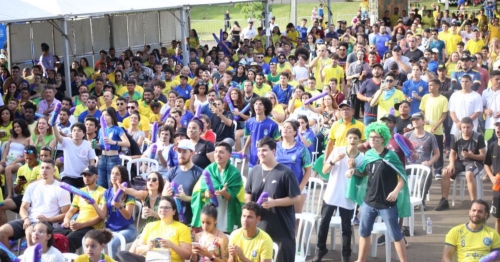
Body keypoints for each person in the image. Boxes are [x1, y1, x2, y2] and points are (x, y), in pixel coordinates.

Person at [346, 122, 411, 262]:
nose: (373, 139)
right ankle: (360, 260)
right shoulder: (368, 154)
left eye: (376, 137)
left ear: (383, 139)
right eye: (370, 137)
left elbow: (402, 177)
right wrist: (354, 171)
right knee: (364, 233)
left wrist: (395, 192)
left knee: (396, 235)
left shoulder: (391, 156)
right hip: (369, 201)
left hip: (387, 203)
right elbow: (364, 173)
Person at [245, 137, 300, 262]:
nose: (261, 154)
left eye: (264, 150)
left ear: (274, 151)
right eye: (259, 151)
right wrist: (249, 207)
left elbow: (296, 198)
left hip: (281, 229)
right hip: (259, 228)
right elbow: (248, 192)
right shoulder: (254, 171)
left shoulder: (285, 173)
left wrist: (274, 202)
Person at [313, 128, 364, 262]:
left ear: (359, 141)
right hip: (331, 194)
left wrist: (354, 169)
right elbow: (323, 170)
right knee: (324, 223)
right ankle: (320, 249)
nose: (352, 140)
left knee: (346, 227)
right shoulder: (337, 151)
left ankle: (346, 255)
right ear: (346, 139)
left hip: (348, 196)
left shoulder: (361, 157)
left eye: (355, 138)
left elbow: (363, 176)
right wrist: (333, 160)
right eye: (350, 138)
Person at [0, 159, 71, 248]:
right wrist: (26, 218)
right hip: (29, 220)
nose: (44, 170)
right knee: (2, 231)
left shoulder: (61, 189)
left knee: (30, 232)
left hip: (48, 224)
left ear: (54, 170)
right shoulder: (32, 186)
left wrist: (48, 219)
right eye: (42, 168)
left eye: (47, 168)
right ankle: (11, 259)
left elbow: (66, 214)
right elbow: (23, 207)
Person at [115, 196, 192, 262]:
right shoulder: (150, 226)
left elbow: (187, 255)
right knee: (121, 254)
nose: (163, 210)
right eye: (161, 207)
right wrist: (148, 247)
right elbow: (138, 250)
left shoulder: (182, 228)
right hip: (150, 259)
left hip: (170, 260)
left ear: (174, 211)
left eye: (167, 208)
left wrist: (171, 245)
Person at [191, 141, 244, 233]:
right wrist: (205, 194)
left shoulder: (235, 173)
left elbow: (237, 198)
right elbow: (198, 192)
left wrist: (225, 194)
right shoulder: (208, 170)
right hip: (209, 215)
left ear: (229, 156)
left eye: (221, 152)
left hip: (225, 214)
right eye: (216, 152)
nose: (217, 155)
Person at [436, 117, 487, 211]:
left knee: (469, 174)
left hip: (475, 162)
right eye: (463, 127)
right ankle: (444, 200)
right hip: (460, 161)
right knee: (445, 172)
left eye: (468, 127)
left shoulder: (478, 137)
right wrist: (451, 164)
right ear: (460, 128)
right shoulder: (456, 136)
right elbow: (452, 153)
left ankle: (473, 202)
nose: (465, 129)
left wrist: (471, 155)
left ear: (472, 127)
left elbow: (483, 156)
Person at [53, 166, 106, 253]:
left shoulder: (103, 192)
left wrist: (82, 225)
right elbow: (71, 211)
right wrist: (66, 220)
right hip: (77, 225)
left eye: (89, 175)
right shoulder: (80, 191)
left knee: (68, 241)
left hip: (92, 227)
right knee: (51, 236)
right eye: (84, 175)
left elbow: (100, 217)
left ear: (96, 177)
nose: (86, 178)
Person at [91, 165, 136, 259]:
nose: (113, 176)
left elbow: (128, 216)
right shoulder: (107, 192)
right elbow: (103, 215)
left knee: (112, 244)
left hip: (127, 229)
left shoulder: (128, 193)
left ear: (122, 177)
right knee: (94, 241)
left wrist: (119, 206)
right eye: (112, 173)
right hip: (110, 229)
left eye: (117, 174)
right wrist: (93, 203)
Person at [162, 139, 203, 225]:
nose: (181, 155)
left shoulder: (199, 173)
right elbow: (164, 195)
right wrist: (165, 195)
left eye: (184, 152)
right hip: (172, 220)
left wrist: (186, 198)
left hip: (190, 221)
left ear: (192, 153)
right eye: (179, 151)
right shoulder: (172, 171)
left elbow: (204, 199)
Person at [404, 112, 440, 209]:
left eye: (417, 119)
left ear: (423, 122)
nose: (415, 121)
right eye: (413, 120)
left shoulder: (430, 136)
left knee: (427, 173)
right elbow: (401, 151)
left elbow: (437, 154)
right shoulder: (407, 135)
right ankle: (404, 200)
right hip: (409, 165)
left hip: (423, 166)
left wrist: (429, 162)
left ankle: (421, 200)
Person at [276, 121, 312, 215]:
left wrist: (299, 188)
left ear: (295, 132)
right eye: (284, 127)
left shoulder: (302, 148)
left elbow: (308, 171)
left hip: (295, 187)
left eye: (289, 128)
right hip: (277, 187)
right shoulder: (274, 147)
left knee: (296, 218)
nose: (285, 129)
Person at [52, 121, 96, 189]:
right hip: (68, 176)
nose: (76, 132)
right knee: (67, 193)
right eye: (74, 130)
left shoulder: (88, 145)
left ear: (84, 133)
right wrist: (53, 125)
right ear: (71, 133)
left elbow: (92, 162)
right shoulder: (66, 142)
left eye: (79, 131)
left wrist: (90, 173)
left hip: (83, 177)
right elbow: (57, 135)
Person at [420, 79, 448, 180]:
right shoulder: (425, 97)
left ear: (437, 86)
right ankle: (426, 169)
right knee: (426, 151)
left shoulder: (443, 99)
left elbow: (444, 115)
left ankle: (438, 171)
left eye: (431, 85)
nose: (429, 87)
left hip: (437, 130)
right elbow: (422, 111)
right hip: (426, 130)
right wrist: (423, 120)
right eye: (429, 85)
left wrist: (436, 126)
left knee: (438, 151)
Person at [240, 97, 281, 168]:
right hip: (253, 158)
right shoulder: (249, 122)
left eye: (260, 104)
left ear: (265, 107)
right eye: (256, 104)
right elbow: (250, 136)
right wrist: (244, 148)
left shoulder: (273, 124)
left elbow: (278, 141)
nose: (258, 106)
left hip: (266, 160)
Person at [97, 108, 131, 188]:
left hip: (113, 158)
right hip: (102, 158)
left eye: (107, 115)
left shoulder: (117, 129)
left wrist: (114, 142)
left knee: (112, 184)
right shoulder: (101, 130)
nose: (104, 117)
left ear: (112, 117)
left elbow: (127, 143)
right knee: (101, 184)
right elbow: (102, 145)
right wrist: (95, 146)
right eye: (103, 115)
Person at [486, 120, 500, 233]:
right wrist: (491, 176)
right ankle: (497, 243)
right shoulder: (492, 146)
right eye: (497, 126)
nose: (498, 129)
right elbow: (486, 164)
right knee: (498, 218)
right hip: (497, 188)